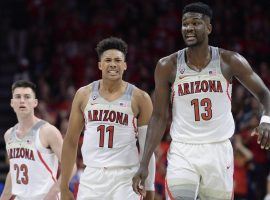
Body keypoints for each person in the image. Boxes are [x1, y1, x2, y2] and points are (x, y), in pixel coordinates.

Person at [132, 2, 270, 200]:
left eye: (195, 23)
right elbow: (159, 117)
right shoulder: (167, 66)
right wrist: (144, 163)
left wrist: (266, 120)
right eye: (185, 23)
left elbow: (265, 94)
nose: (189, 28)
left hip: (218, 150)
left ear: (208, 28)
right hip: (183, 150)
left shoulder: (229, 61)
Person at [60, 37, 156, 200]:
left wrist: (150, 187)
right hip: (92, 175)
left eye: (118, 60)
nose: (113, 64)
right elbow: (70, 141)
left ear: (125, 65)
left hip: (126, 178)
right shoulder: (84, 94)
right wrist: (64, 186)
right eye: (108, 60)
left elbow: (148, 147)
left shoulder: (140, 98)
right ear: (100, 65)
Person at [0, 80, 63, 200]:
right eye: (18, 97)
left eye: (27, 97)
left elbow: (71, 167)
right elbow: (12, 173)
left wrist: (52, 194)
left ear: (35, 103)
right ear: (12, 103)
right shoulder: (8, 135)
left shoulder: (48, 131)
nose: (22, 101)